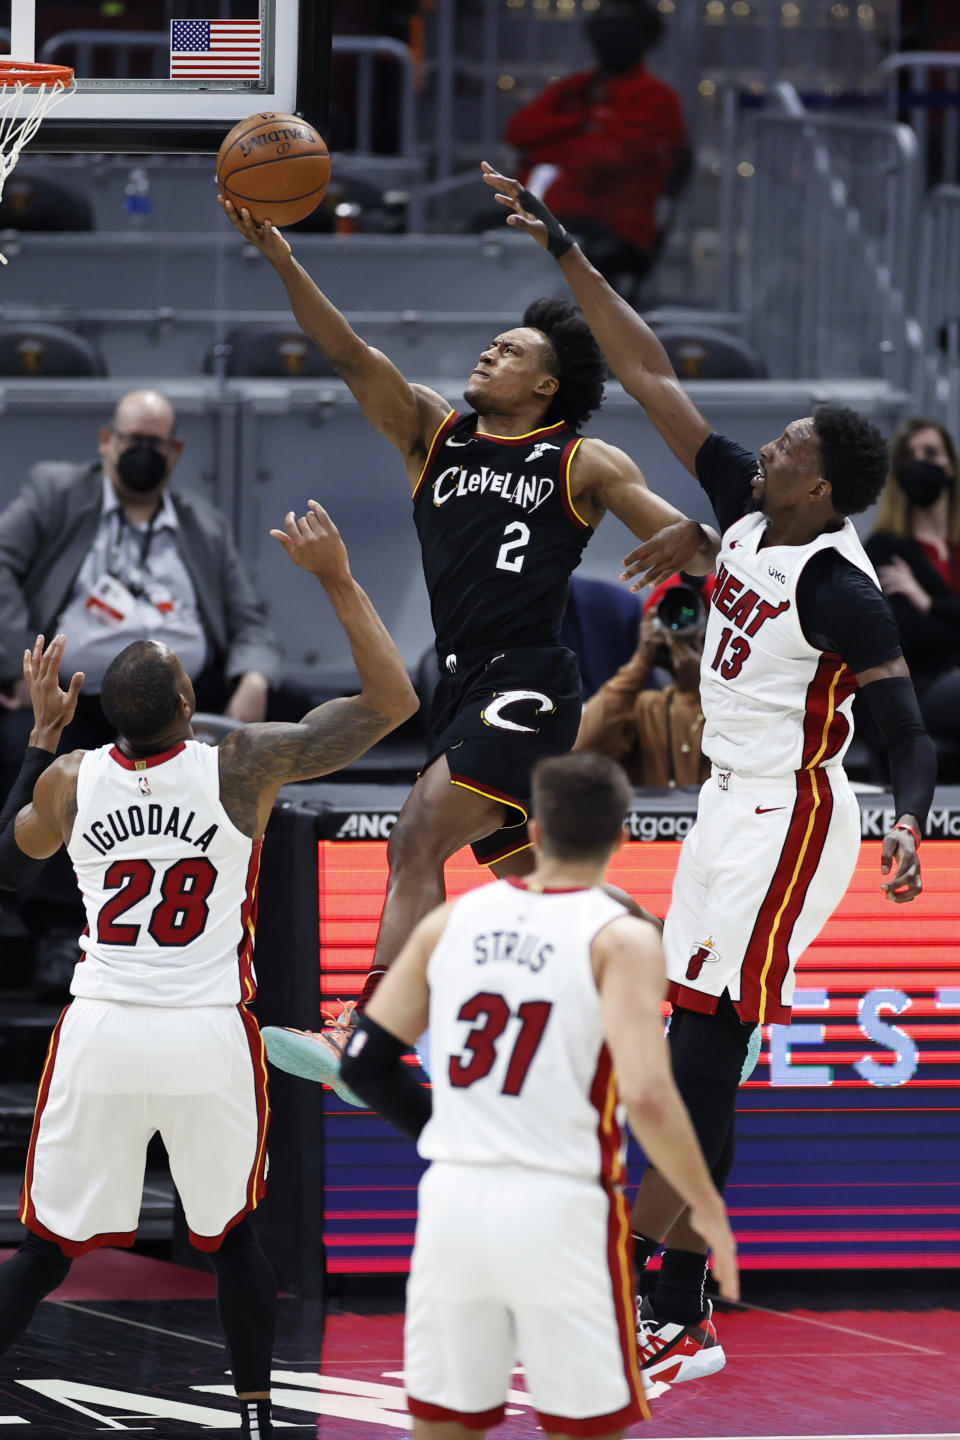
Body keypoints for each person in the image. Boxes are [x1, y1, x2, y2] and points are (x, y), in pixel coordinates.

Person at [481, 162, 938, 1382]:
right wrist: (567, 246)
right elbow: (646, 374)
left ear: (821, 487)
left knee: (700, 1053)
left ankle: (673, 1308)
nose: (765, 441)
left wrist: (908, 820)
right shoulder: (744, 502)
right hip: (722, 808)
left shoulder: (843, 588)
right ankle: (674, 1302)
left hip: (791, 816)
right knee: (686, 1048)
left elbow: (905, 731)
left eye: (788, 442)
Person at [221, 196, 719, 1099]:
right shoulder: (431, 434)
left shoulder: (583, 460)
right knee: (546, 887)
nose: (492, 352)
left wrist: (695, 538)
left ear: (545, 387)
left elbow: (690, 541)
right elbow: (347, 353)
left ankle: (365, 1034)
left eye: (514, 350)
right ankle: (695, 1007)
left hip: (528, 681)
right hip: (460, 685)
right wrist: (283, 259)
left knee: (416, 834)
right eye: (493, 344)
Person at [0, 503, 418, 1440]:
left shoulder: (70, 780)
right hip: (205, 1031)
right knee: (229, 1238)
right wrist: (339, 579)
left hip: (102, 1025)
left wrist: (38, 739)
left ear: (107, 712)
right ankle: (257, 1414)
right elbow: (393, 706)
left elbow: (8, 865)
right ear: (192, 706)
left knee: (44, 1248)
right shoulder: (243, 765)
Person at [336, 752, 739, 1437]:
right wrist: (706, 1211)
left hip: (457, 1204)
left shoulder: (447, 924)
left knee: (446, 1425)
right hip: (564, 1209)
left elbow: (365, 1065)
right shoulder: (624, 938)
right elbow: (646, 1095)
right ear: (620, 838)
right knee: (583, 1427)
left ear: (535, 831)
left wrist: (451, 1133)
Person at [0, 388, 288, 998]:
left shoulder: (201, 523)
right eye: (133, 439)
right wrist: (21, 661)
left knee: (254, 745)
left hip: (180, 704)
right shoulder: (57, 492)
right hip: (76, 698)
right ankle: (56, 927)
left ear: (177, 451)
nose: (143, 451)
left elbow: (251, 616)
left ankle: (214, 921)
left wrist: (255, 674)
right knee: (21, 748)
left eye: (156, 443)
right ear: (107, 440)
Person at [505, 0, 690, 297]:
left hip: (607, 227)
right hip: (543, 218)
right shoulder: (575, 89)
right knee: (472, 242)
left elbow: (605, 159)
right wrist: (581, 123)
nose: (609, 37)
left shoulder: (656, 97)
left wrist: (544, 150)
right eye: (602, 28)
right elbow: (518, 132)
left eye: (620, 30)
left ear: (644, 38)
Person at [865, 417, 960, 750]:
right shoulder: (885, 548)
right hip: (918, 689)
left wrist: (928, 603)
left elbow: (930, 626)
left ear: (950, 465)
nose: (920, 463)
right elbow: (908, 637)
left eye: (931, 453)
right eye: (910, 456)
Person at [576, 575, 711, 787]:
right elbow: (581, 748)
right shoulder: (647, 709)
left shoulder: (746, 704)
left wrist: (704, 688)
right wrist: (640, 662)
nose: (687, 629)